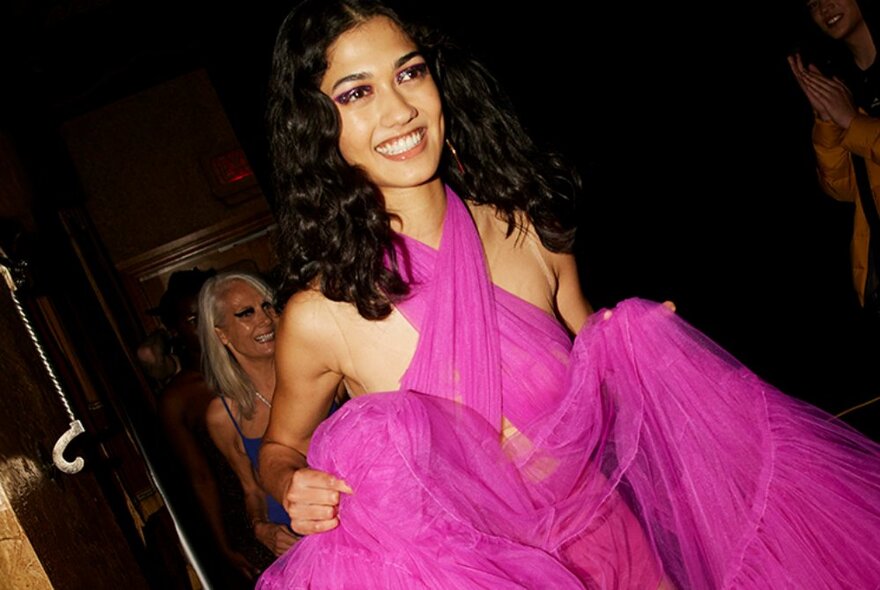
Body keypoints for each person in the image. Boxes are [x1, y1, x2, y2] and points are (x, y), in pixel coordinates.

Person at [257, 1, 880, 588]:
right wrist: (290, 483)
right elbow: (281, 447)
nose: (398, 110)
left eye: (410, 73)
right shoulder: (321, 314)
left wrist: (632, 346)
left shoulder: (527, 230)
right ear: (316, 125)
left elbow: (598, 389)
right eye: (356, 92)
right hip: (481, 574)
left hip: (613, 545)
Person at [151, 267, 273, 587]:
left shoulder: (258, 358)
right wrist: (222, 544)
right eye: (191, 321)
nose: (199, 328)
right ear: (174, 328)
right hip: (240, 506)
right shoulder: (178, 397)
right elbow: (200, 477)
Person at [198, 270, 300, 561]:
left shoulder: (320, 371)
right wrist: (261, 529)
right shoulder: (223, 416)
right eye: (246, 313)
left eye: (268, 305)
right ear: (221, 334)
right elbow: (251, 489)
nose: (265, 319)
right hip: (299, 544)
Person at [788, 0, 880, 316]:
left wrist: (852, 122)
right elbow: (842, 187)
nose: (824, 7)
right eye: (812, 3)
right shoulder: (844, 80)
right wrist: (827, 120)